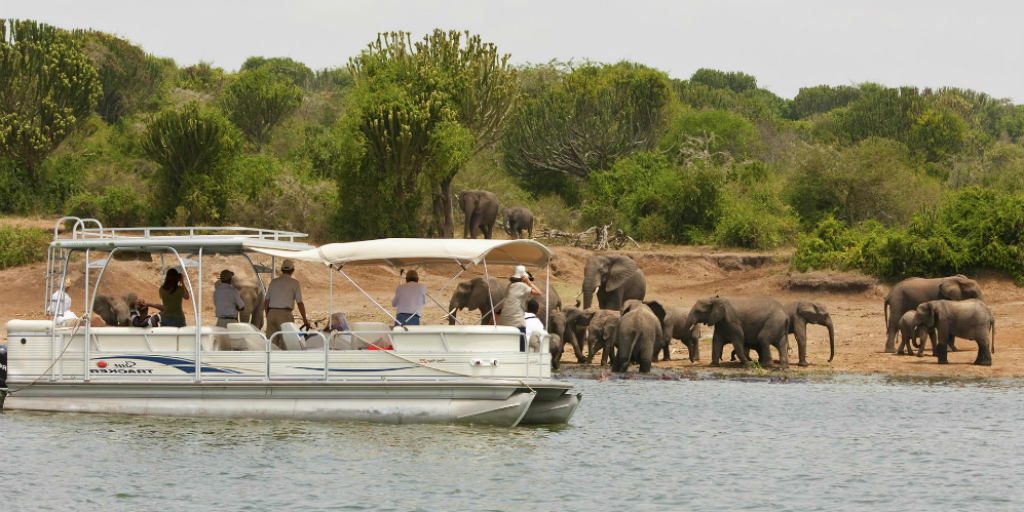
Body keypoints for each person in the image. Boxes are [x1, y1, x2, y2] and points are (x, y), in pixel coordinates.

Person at [264, 259, 310, 347]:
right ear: (292, 270)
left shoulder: (273, 282)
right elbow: (299, 303)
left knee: (271, 343)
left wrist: (267, 314)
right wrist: (304, 319)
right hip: (285, 314)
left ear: (282, 270)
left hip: (271, 313)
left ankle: (270, 360)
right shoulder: (295, 283)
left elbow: (266, 301)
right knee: (286, 342)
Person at [500, 265, 541, 351]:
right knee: (522, 347)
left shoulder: (510, 286)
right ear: (523, 277)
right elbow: (538, 292)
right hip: (517, 322)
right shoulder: (522, 286)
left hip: (504, 321)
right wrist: (528, 282)